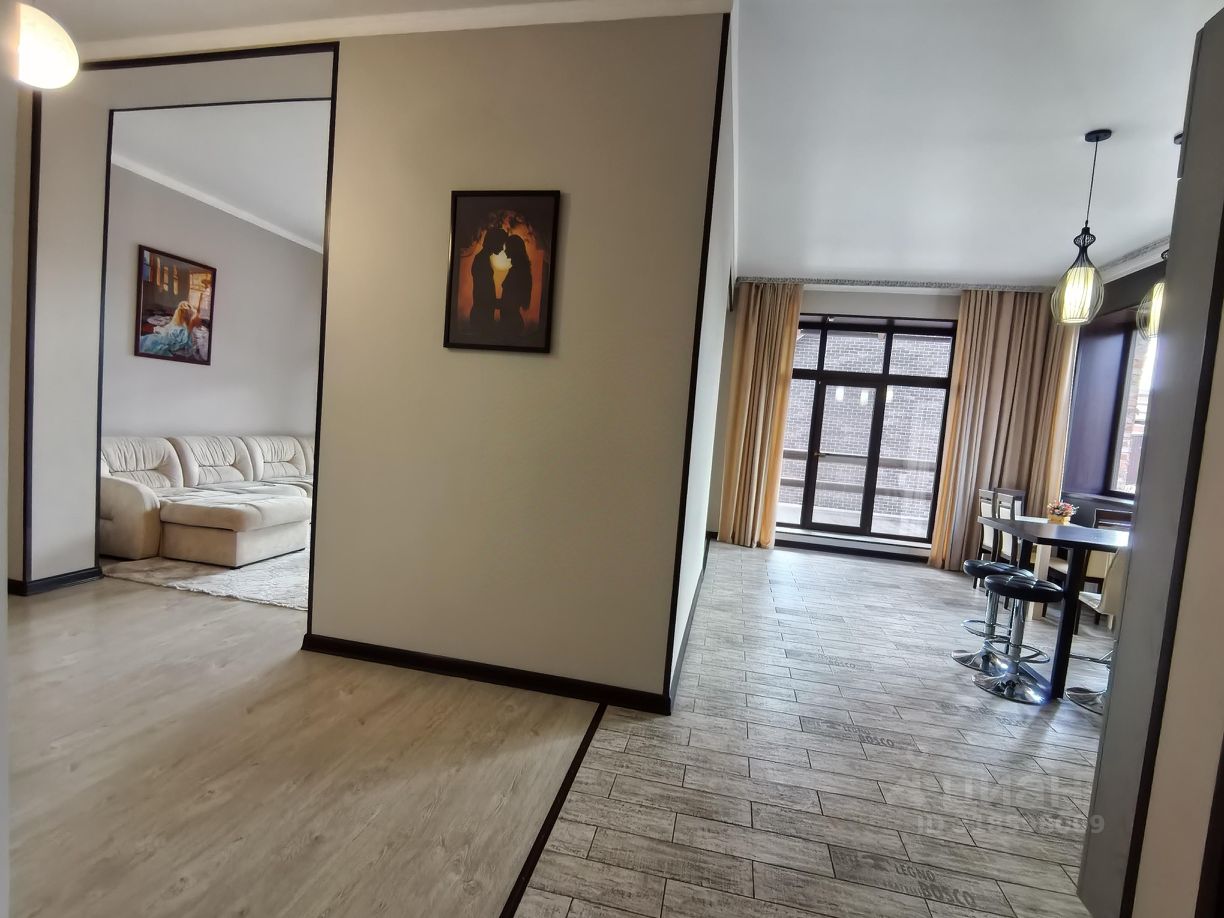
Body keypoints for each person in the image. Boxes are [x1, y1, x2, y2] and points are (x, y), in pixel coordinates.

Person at [469, 227, 507, 336]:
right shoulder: (481, 260)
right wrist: (502, 303)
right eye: (501, 244)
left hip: (483, 314)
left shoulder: (483, 258)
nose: (502, 248)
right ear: (494, 242)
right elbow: (483, 293)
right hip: (482, 316)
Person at [498, 233, 533, 338]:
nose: (505, 251)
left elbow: (510, 302)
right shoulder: (521, 270)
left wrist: (489, 302)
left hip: (511, 323)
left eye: (507, 248)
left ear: (514, 249)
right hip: (512, 322)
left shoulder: (517, 271)